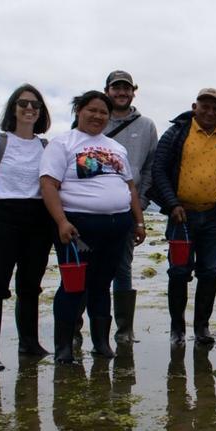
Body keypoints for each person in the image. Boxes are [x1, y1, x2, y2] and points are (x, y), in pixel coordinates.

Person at [40, 91, 147, 363]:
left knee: (101, 285)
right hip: (78, 226)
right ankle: (64, 346)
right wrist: (62, 222)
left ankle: (101, 343)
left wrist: (139, 221)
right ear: (79, 111)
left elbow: (130, 187)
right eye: (92, 110)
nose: (98, 116)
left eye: (103, 112)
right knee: (73, 285)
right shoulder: (62, 143)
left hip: (116, 225)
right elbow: (49, 185)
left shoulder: (115, 147)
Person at [0, 84, 53, 370]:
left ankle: (29, 343)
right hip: (2, 215)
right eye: (23, 104)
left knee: (30, 286)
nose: (29, 109)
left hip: (37, 218)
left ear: (41, 112)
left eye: (35, 105)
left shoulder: (46, 146)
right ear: (13, 108)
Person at [152, 88, 216, 346]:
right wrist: (172, 204)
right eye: (205, 106)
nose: (210, 112)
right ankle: (177, 328)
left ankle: (202, 328)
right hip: (181, 217)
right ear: (194, 106)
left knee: (209, 272)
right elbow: (158, 169)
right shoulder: (176, 132)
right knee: (178, 272)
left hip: (214, 217)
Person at [101, 70, 158, 344]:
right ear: (107, 90)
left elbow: (150, 168)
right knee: (87, 268)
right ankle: (77, 329)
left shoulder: (146, 125)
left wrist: (141, 206)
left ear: (133, 91)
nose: (121, 93)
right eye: (116, 88)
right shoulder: (94, 117)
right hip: (91, 209)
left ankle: (124, 330)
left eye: (126, 88)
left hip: (127, 209)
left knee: (123, 269)